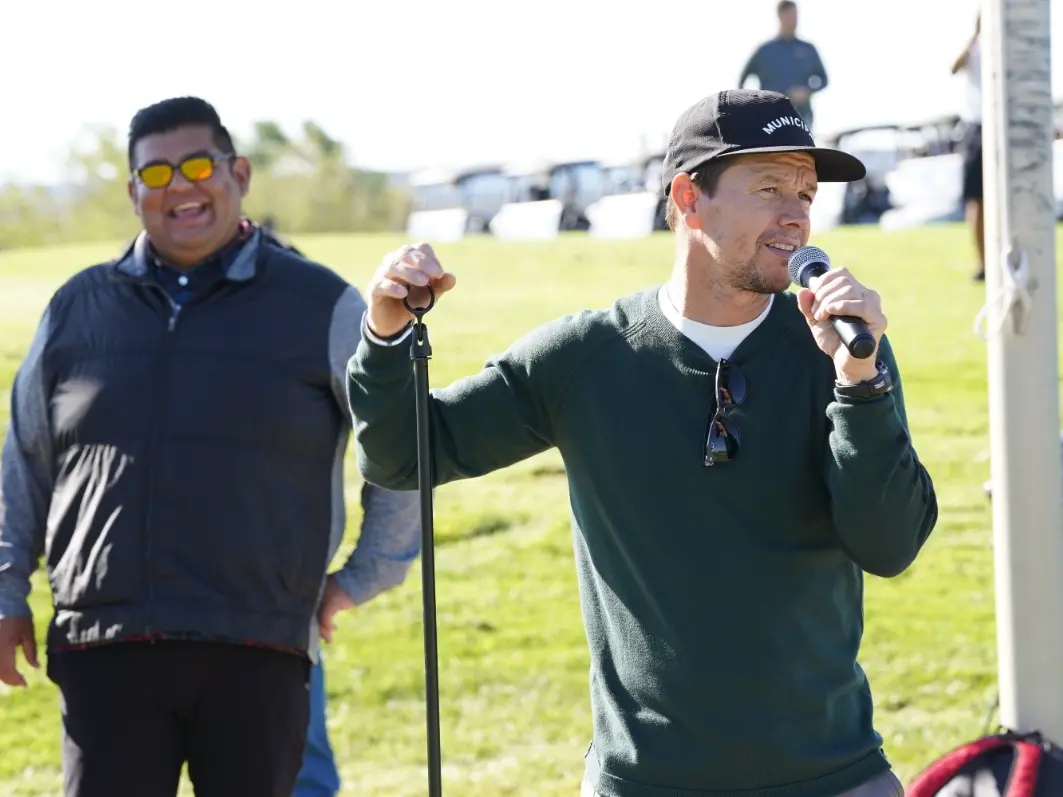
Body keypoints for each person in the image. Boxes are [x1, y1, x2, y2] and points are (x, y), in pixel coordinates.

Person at [347, 89, 938, 797]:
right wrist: (385, 337)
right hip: (645, 781)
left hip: (834, 775)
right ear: (688, 198)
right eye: (770, 187)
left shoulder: (845, 352)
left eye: (806, 193)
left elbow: (889, 544)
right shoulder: (585, 356)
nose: (797, 214)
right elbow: (405, 454)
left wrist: (858, 382)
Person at [0, 96, 421, 797]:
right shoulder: (77, 308)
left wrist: (364, 574)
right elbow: (25, 460)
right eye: (156, 173)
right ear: (133, 191)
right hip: (104, 649)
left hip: (257, 647)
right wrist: (8, 586)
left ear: (239, 173)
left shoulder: (321, 304)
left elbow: (401, 450)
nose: (180, 186)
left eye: (198, 164)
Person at [739, 1, 829, 134]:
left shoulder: (808, 49)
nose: (794, 19)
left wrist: (807, 91)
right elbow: (742, 80)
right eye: (790, 15)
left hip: (801, 117)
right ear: (780, 15)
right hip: (769, 118)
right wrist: (750, 108)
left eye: (796, 15)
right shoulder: (765, 50)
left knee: (800, 153)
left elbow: (824, 80)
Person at [951, 13, 985, 281]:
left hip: (1004, 129)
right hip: (976, 127)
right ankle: (982, 262)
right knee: (976, 199)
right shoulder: (973, 46)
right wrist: (974, 36)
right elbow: (953, 67)